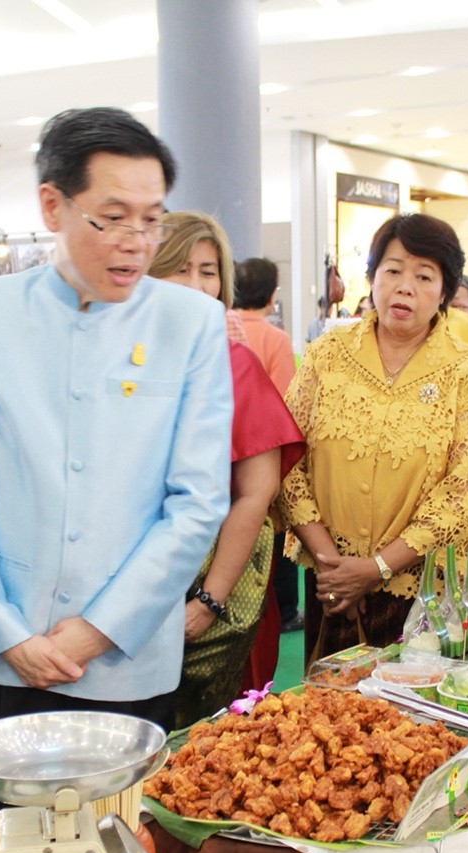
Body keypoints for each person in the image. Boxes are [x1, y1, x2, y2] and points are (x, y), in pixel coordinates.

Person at [0, 107, 232, 853]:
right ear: (53, 208)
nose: (135, 241)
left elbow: (196, 499)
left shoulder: (192, 323)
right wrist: (9, 629)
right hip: (2, 657)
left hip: (126, 663)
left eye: (151, 220)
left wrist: (93, 631)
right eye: (112, 218)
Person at [281, 213, 468, 658]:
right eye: (393, 270)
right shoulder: (327, 355)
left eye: (424, 275)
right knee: (323, 713)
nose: (405, 287)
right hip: (330, 585)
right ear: (372, 277)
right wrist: (335, 567)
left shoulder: (464, 370)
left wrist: (376, 568)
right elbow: (286, 461)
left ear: (444, 291)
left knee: (404, 719)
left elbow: (467, 487)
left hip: (416, 591)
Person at [150, 214, 303, 727]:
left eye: (209, 271)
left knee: (217, 749)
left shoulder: (235, 364)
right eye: (179, 269)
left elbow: (254, 496)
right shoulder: (125, 363)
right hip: (135, 589)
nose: (197, 285)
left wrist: (208, 603)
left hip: (220, 588)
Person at [233, 257, 304, 632]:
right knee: (274, 538)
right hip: (263, 453)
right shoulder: (275, 338)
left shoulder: (222, 329)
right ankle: (286, 609)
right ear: (273, 295)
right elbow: (285, 401)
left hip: (228, 460)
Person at [232, 257, 296, 397]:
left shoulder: (222, 328)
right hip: (259, 417)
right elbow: (285, 397)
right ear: (271, 295)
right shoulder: (278, 340)